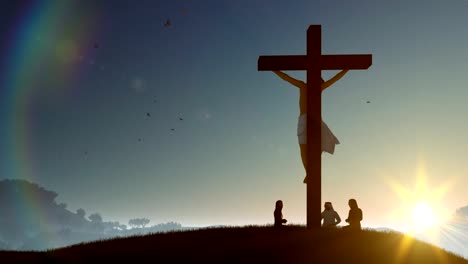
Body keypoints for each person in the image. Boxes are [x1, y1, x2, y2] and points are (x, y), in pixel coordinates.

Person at [272, 70, 349, 183]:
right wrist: (275, 70)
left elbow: (335, 78)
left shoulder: (317, 87)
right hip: (306, 119)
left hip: (315, 120)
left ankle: (311, 172)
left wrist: (347, 69)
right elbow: (286, 77)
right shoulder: (303, 86)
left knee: (314, 148)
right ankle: (309, 172)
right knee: (304, 147)